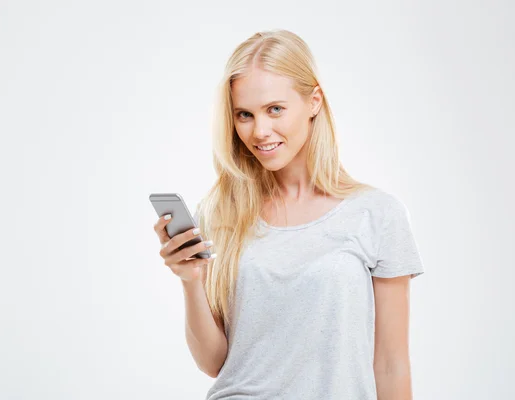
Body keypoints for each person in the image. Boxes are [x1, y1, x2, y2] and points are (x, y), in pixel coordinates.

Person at [152, 29, 425, 400]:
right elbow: (214, 362)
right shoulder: (220, 213)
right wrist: (190, 280)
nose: (260, 131)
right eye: (244, 115)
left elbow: (392, 364)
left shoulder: (376, 214)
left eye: (275, 109)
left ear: (314, 101)